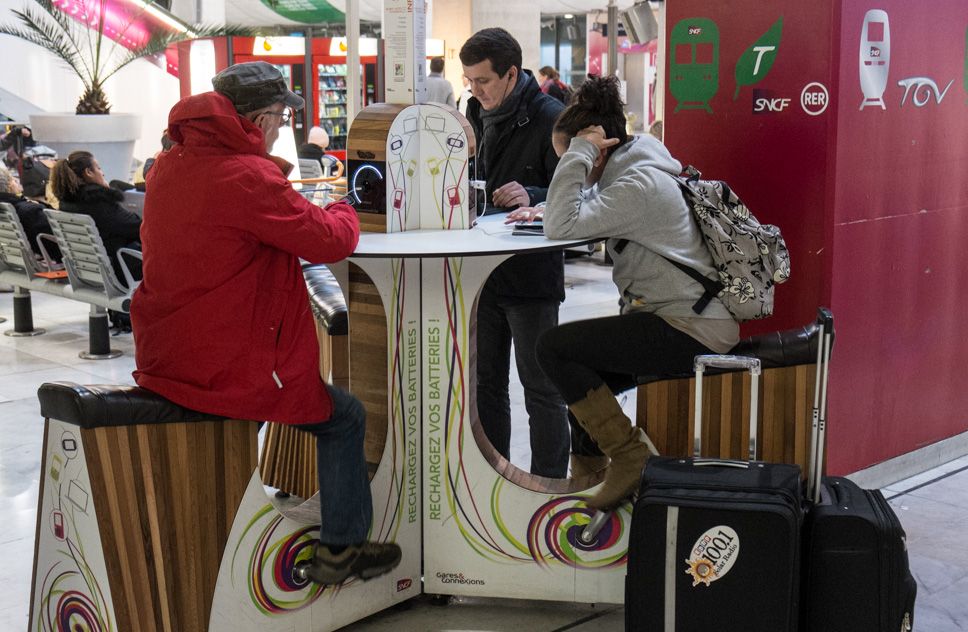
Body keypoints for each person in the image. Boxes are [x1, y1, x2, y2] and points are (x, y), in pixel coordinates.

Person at [129, 60, 401, 586]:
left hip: (167, 351)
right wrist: (350, 207)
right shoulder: (246, 176)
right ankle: (342, 551)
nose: (283, 127)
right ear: (256, 119)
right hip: (221, 361)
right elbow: (330, 241)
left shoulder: (170, 163)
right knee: (342, 415)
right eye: (280, 116)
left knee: (299, 404)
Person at [507, 75, 740, 510]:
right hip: (679, 317)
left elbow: (562, 225)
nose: (576, 170)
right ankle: (593, 488)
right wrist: (574, 169)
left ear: (601, 148)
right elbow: (575, 213)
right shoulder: (638, 169)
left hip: (692, 325)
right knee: (580, 387)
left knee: (554, 350)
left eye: (576, 159)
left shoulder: (638, 186)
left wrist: (577, 154)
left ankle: (631, 458)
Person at [459, 28, 571, 479]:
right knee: (487, 386)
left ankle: (548, 487)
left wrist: (533, 195)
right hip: (483, 274)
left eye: (482, 80)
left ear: (511, 74)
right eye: (469, 80)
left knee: (541, 390)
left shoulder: (551, 118)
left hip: (531, 278)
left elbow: (578, 193)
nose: (475, 90)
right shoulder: (471, 111)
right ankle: (495, 479)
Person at [49, 150, 142, 283]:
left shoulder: (66, 203)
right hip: (120, 271)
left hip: (88, 272)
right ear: (89, 172)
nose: (102, 173)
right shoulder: (98, 203)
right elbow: (139, 228)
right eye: (98, 168)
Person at [0, 162, 59, 261]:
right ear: (9, 186)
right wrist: (42, 207)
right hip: (54, 254)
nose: (16, 181)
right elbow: (55, 232)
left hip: (22, 255)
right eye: (12, 179)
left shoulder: (8, 208)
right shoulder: (30, 211)